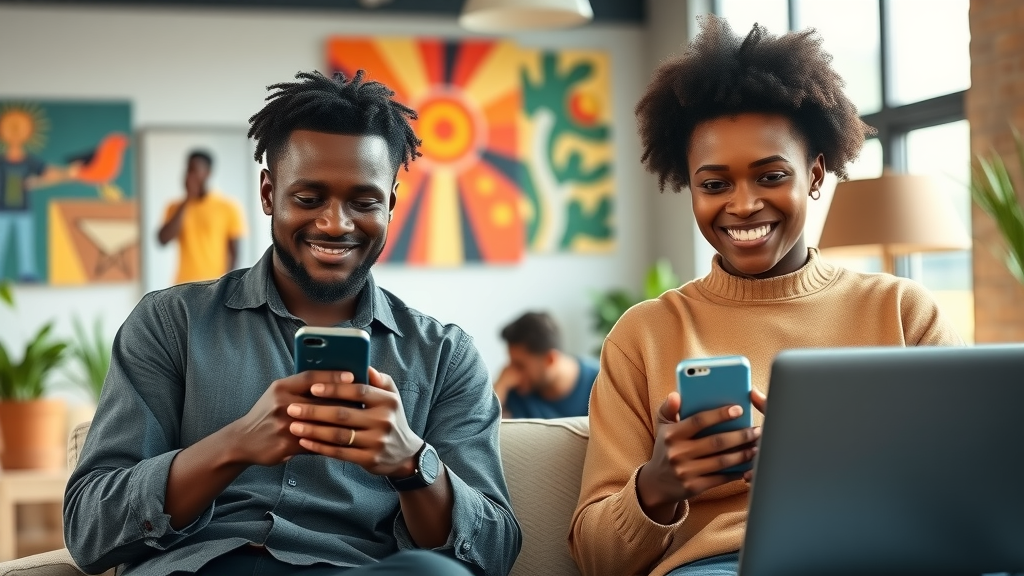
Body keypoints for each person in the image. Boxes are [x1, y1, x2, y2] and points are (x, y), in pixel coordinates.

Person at [65, 70, 521, 576]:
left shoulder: (444, 356)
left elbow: (494, 554)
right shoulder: (171, 324)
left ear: (391, 202)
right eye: (309, 199)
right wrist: (234, 444)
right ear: (268, 193)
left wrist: (412, 463)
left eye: (364, 202)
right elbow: (90, 529)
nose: (335, 223)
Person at [568, 16, 962, 576]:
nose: (744, 203)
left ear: (816, 174)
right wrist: (657, 485)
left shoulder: (902, 312)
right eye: (714, 184)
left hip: (886, 553)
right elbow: (595, 561)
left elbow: (966, 488)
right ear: (690, 187)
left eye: (771, 175)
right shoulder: (645, 334)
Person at [0, 106, 78, 282]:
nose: (14, 132)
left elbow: (48, 172)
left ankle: (27, 273)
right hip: (2, 210)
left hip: (23, 210)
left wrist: (68, 173)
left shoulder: (29, 161)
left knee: (25, 243)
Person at [158, 149, 247, 284]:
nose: (189, 175)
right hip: (182, 287)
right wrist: (188, 200)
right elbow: (163, 239)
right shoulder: (175, 207)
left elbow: (234, 254)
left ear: (208, 173)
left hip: (214, 287)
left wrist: (225, 288)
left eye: (194, 170)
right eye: (188, 170)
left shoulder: (228, 207)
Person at [493, 311, 598, 419]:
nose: (511, 371)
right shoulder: (514, 392)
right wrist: (500, 387)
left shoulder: (601, 383)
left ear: (550, 360)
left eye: (520, 365)